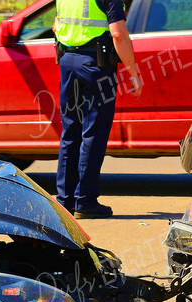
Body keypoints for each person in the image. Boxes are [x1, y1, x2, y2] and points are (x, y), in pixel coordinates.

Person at [54, 0, 143, 219]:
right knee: (93, 134)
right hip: (95, 66)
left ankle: (65, 201)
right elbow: (118, 34)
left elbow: (57, 26)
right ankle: (85, 201)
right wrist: (133, 71)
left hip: (67, 61)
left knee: (70, 133)